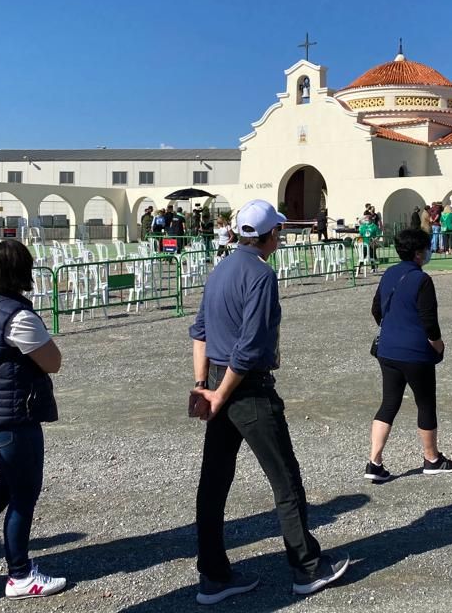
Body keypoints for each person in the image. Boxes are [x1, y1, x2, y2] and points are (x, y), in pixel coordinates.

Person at [188, 200, 349, 604]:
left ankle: (212, 574)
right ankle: (307, 567)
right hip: (245, 388)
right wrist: (222, 393)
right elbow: (251, 345)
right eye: (277, 230)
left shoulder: (220, 268)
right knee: (285, 479)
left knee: (214, 483)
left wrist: (201, 386)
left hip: (217, 383)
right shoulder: (260, 274)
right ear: (270, 235)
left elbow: (200, 332)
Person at [0, 240, 65, 599]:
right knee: (23, 493)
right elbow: (52, 361)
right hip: (14, 416)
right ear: (23, 272)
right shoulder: (19, 316)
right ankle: (20, 574)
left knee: (9, 485)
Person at [367, 228, 452, 483]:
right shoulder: (422, 280)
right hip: (416, 352)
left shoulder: (389, 273)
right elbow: (430, 322)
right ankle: (432, 458)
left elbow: (376, 309)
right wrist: (438, 345)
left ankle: (374, 461)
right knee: (425, 403)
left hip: (388, 349)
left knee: (389, 403)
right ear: (419, 253)